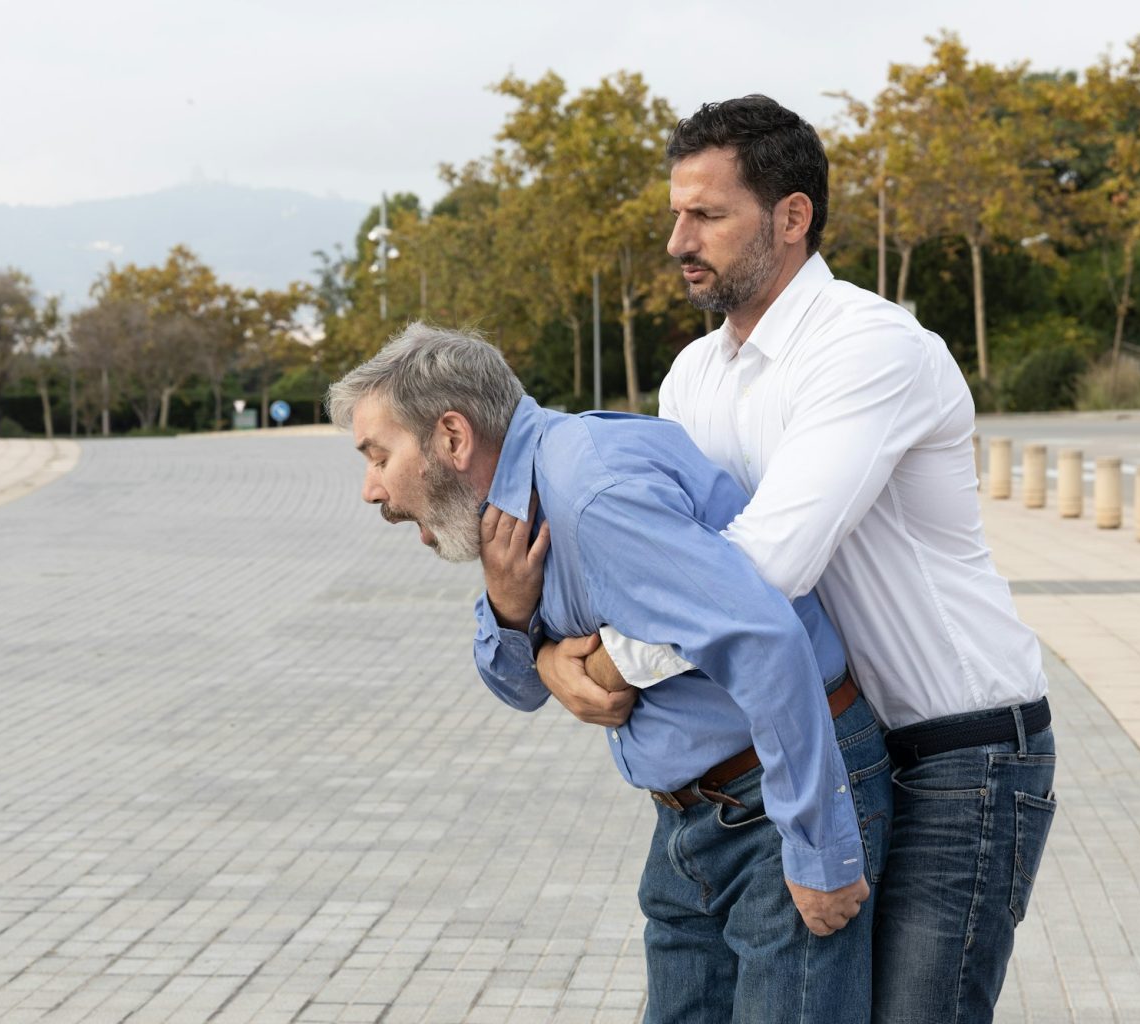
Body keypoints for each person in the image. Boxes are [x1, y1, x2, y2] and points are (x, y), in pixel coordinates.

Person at [504, 95, 1058, 1023]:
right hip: (833, 748)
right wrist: (545, 649)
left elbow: (762, 570)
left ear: (791, 216)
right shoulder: (693, 375)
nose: (679, 240)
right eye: (676, 214)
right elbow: (657, 564)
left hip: (958, 751)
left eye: (708, 215)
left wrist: (597, 666)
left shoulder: (867, 348)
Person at [328, 323, 892, 1024]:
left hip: (778, 803)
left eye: (379, 457)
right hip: (693, 820)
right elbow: (518, 689)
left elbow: (765, 640)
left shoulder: (591, 492)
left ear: (452, 437)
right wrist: (510, 611)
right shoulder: (519, 504)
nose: (370, 489)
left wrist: (819, 850)